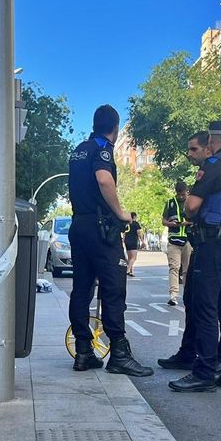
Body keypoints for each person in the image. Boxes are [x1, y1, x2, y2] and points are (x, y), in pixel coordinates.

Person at [67, 105, 153, 377]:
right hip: (100, 229)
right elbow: (104, 180)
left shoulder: (79, 149)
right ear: (115, 128)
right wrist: (120, 213)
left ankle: (84, 351)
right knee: (113, 288)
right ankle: (119, 353)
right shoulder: (103, 149)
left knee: (81, 289)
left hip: (79, 226)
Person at [169, 121, 221, 393]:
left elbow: (192, 207)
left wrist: (188, 204)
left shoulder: (214, 165)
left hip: (214, 243)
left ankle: (204, 371)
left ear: (213, 140)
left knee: (206, 307)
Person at [158, 131, 209, 370]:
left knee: (200, 297)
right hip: (183, 242)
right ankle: (194, 355)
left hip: (198, 242)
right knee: (178, 275)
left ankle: (204, 362)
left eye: (193, 150)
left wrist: (189, 220)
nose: (189, 155)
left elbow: (192, 210)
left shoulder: (212, 171)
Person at [162, 181, 192, 305]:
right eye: (179, 194)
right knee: (174, 268)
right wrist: (170, 224)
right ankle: (173, 295)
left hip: (188, 240)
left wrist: (187, 223)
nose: (181, 197)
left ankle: (188, 294)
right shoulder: (170, 203)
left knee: (187, 269)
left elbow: (197, 219)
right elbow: (163, 221)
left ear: (187, 192)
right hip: (174, 240)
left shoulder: (192, 202)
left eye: (183, 194)